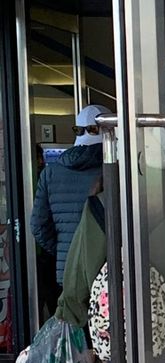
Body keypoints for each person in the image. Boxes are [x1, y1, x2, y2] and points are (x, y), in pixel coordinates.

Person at [31, 105, 106, 287]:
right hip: (105, 267)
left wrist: (66, 251)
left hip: (68, 271)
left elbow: (38, 226)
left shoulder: (51, 172)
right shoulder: (114, 169)